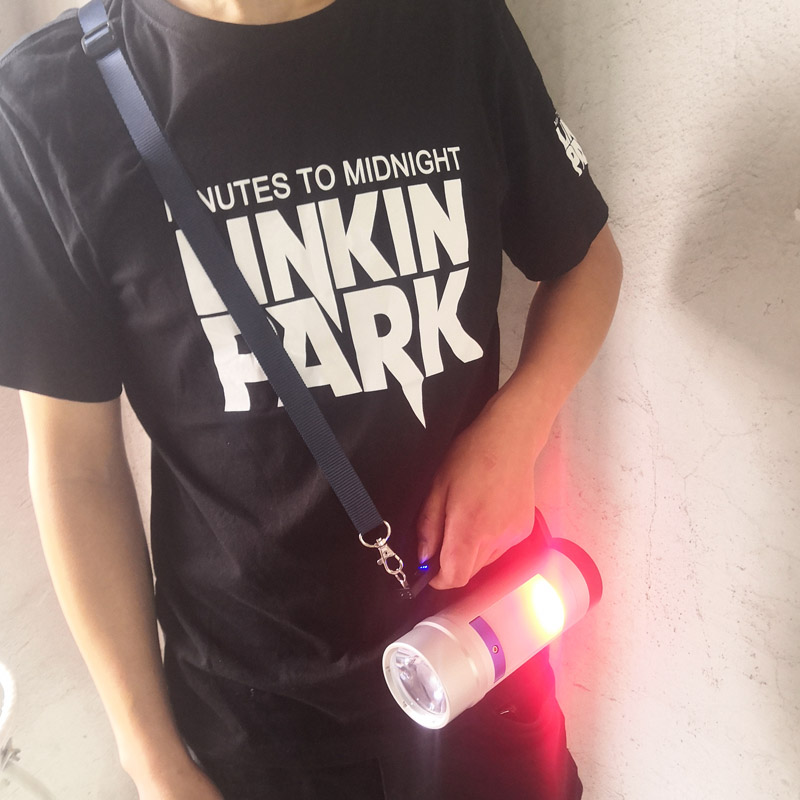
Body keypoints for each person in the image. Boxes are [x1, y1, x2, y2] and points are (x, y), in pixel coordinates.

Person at [0, 0, 622, 797]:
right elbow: (74, 467)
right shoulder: (46, 105)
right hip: (254, 719)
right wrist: (151, 759)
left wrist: (519, 426)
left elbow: (587, 262)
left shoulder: (452, 23)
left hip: (486, 652)